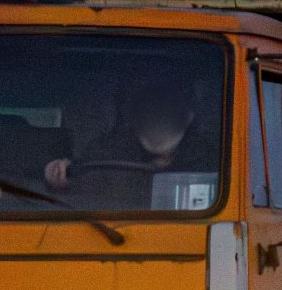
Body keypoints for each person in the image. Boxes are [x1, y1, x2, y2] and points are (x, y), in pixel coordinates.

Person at [43, 82, 216, 205]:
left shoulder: (214, 158)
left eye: (167, 110)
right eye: (149, 110)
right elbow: (83, 199)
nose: (158, 118)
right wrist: (61, 183)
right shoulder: (105, 152)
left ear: (188, 115)